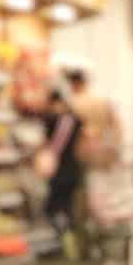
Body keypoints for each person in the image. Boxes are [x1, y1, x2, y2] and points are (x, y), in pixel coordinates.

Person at [41, 88, 83, 232]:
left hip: (59, 170)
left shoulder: (52, 120)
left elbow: (46, 143)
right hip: (73, 169)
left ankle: (60, 236)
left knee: (52, 206)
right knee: (67, 206)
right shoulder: (76, 120)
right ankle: (67, 236)